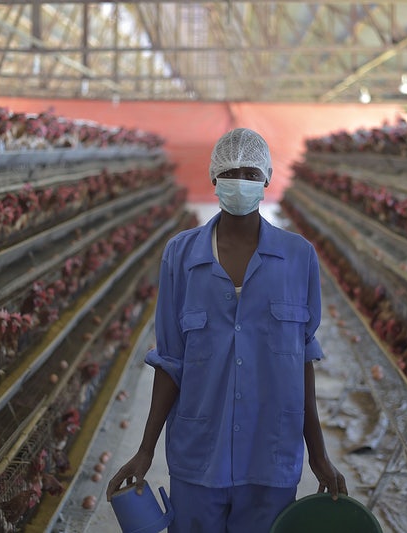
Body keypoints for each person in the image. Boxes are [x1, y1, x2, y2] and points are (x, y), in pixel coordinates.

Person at [106, 127, 347, 532]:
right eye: (232, 172)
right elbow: (170, 360)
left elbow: (302, 359)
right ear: (215, 178)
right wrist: (145, 450)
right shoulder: (180, 256)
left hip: (270, 455)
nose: (241, 181)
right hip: (199, 456)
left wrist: (317, 454)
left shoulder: (298, 258)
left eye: (251, 173)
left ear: (267, 178)